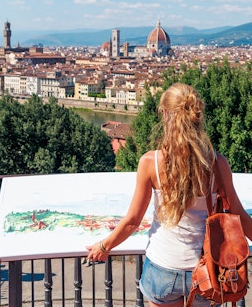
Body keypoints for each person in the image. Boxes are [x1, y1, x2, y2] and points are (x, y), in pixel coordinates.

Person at [86, 83, 252, 307]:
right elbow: (239, 216)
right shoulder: (217, 163)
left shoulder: (150, 162)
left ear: (164, 114)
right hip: (206, 270)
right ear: (197, 116)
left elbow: (132, 221)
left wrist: (104, 246)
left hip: (163, 267)